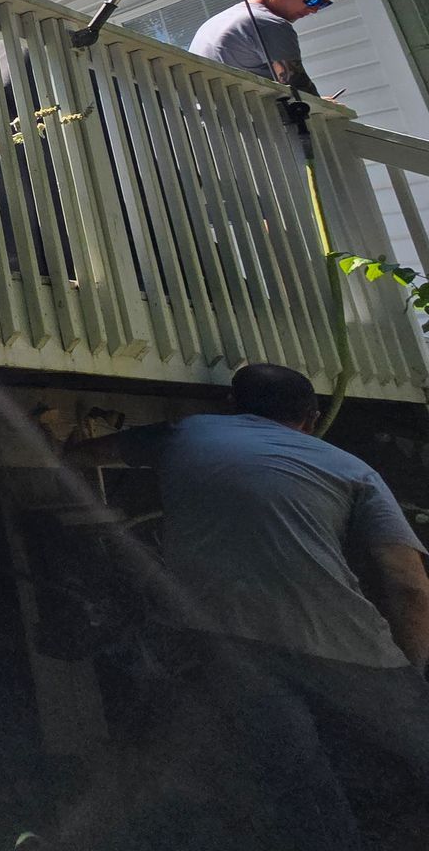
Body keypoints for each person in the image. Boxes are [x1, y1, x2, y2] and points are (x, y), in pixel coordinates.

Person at [70, 362, 429, 848]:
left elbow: (88, 453)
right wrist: (413, 665)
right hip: (350, 647)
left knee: (298, 786)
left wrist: (61, 442)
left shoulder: (184, 432)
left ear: (230, 404)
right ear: (313, 415)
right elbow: (408, 583)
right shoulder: (351, 467)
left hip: (230, 644)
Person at [188, 0, 345, 96]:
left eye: (323, 4)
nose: (315, 9)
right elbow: (301, 91)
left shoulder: (215, 22)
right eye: (313, 0)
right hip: (257, 125)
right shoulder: (269, 24)